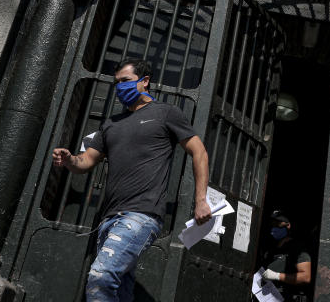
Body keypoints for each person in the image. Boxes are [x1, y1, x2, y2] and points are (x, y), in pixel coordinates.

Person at [52, 59, 212, 302]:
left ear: (144, 81)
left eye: (125, 81)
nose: (119, 87)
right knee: (119, 291)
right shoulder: (110, 124)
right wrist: (69, 160)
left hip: (141, 215)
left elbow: (199, 151)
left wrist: (201, 200)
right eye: (117, 83)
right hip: (108, 219)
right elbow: (85, 163)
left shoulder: (166, 113)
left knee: (100, 277)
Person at [257, 210, 312, 302]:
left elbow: (306, 277)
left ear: (288, 225)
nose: (273, 227)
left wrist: (277, 276)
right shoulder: (270, 249)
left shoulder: (297, 248)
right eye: (272, 224)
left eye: (277, 224)